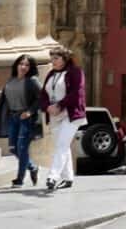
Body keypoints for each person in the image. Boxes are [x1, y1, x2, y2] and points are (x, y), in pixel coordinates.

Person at [0, 54, 42, 187]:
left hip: (26, 119)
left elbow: (41, 98)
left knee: (22, 149)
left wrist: (29, 112)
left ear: (30, 68)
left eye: (27, 65)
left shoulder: (32, 80)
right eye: (21, 64)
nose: (23, 67)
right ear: (16, 65)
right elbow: (3, 98)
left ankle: (19, 180)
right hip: (12, 118)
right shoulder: (11, 80)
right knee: (13, 148)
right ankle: (32, 167)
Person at [39, 47, 86, 190]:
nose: (52, 61)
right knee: (63, 146)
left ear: (65, 59)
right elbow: (43, 95)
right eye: (51, 58)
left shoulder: (75, 72)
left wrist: (60, 105)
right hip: (54, 115)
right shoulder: (51, 74)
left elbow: (76, 93)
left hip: (70, 115)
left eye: (56, 58)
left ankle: (52, 176)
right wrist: (47, 107)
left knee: (61, 144)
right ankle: (68, 178)